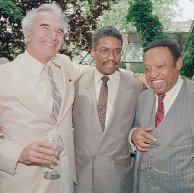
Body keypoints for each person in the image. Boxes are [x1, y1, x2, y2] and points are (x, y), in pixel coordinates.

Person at [0, 3, 90, 193]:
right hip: (25, 184)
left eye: (59, 31)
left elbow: (95, 72)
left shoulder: (64, 64)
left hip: (66, 179)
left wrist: (139, 77)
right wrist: (18, 154)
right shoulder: (3, 77)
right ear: (27, 33)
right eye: (45, 28)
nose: (53, 36)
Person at [131, 39, 194, 193]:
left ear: (178, 64)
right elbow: (135, 128)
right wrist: (133, 135)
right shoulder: (142, 98)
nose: (152, 75)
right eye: (147, 68)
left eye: (160, 67)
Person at [72, 26, 143, 193]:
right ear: (93, 51)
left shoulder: (136, 86)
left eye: (117, 52)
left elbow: (139, 125)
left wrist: (133, 135)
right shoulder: (75, 84)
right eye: (104, 51)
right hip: (80, 177)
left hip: (118, 177)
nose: (112, 57)